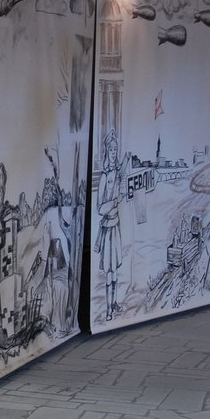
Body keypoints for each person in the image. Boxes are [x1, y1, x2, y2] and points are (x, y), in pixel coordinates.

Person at [95, 129, 123, 320]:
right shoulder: (105, 176)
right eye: (111, 150)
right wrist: (113, 202)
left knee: (115, 269)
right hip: (107, 229)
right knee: (108, 270)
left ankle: (114, 303)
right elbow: (99, 208)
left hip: (116, 226)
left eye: (115, 150)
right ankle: (107, 310)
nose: (114, 153)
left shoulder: (118, 173)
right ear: (107, 151)